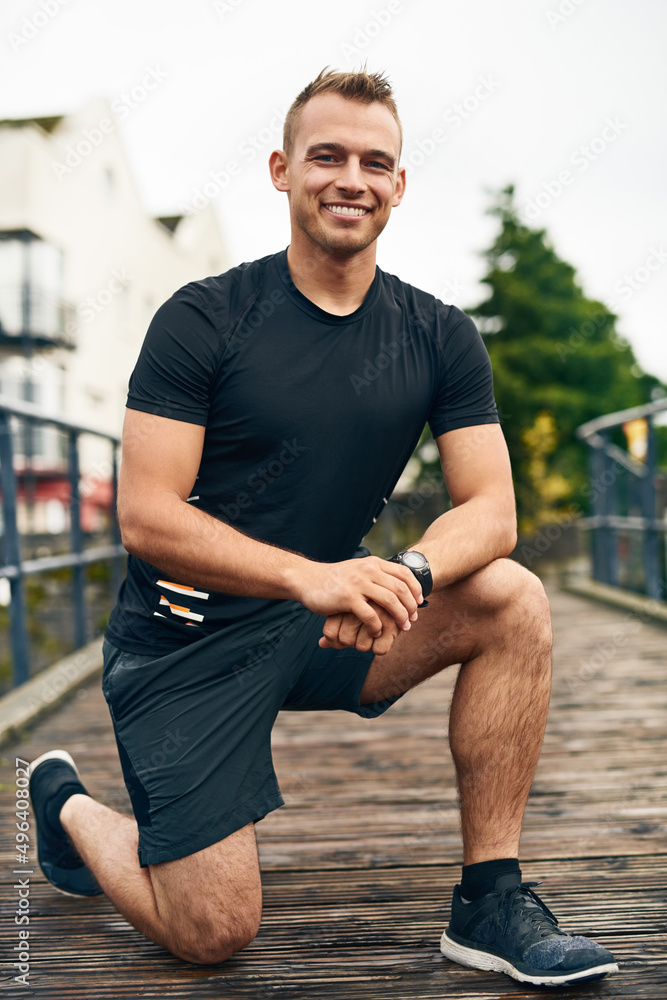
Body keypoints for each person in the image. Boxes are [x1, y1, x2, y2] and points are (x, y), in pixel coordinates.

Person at [29, 68, 618, 987]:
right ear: (281, 170)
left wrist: (407, 574)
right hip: (184, 643)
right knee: (212, 931)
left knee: (511, 598)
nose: (352, 178)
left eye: (374, 162)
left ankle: (490, 899)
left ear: (399, 184)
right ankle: (64, 803)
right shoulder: (202, 319)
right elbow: (146, 515)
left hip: (323, 622)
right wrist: (313, 576)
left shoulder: (437, 335)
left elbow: (493, 511)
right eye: (327, 156)